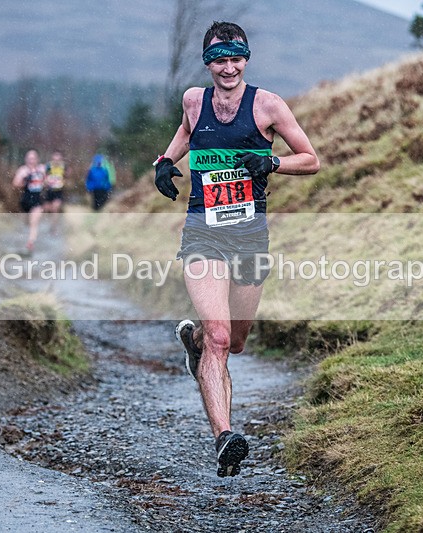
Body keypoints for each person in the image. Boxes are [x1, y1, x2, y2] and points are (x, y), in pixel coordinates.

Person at [154, 21, 319, 477]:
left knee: (237, 341)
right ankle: (224, 435)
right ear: (208, 62)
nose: (228, 68)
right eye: (219, 59)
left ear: (245, 59)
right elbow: (187, 131)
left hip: (249, 236)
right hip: (202, 231)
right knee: (221, 337)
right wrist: (166, 162)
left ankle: (194, 344)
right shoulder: (194, 99)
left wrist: (272, 162)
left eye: (236, 59)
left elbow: (311, 158)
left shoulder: (267, 105)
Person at [12, 149, 47, 253]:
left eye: (33, 158)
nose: (31, 160)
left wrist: (45, 181)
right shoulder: (23, 170)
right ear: (26, 159)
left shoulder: (42, 169)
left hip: (38, 199)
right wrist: (24, 180)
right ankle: (25, 238)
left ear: (37, 159)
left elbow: (47, 181)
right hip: (26, 199)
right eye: (30, 158)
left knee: (34, 221)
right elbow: (15, 184)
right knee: (27, 222)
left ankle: (30, 242)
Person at [43, 150, 67, 229]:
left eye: (58, 159)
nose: (56, 161)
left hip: (58, 191)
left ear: (61, 159)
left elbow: (67, 177)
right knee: (47, 208)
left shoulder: (64, 167)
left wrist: (63, 182)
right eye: (55, 159)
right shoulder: (48, 166)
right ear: (52, 159)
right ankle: (46, 224)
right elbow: (44, 177)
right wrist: (47, 181)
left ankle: (53, 227)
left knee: (55, 208)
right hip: (49, 190)